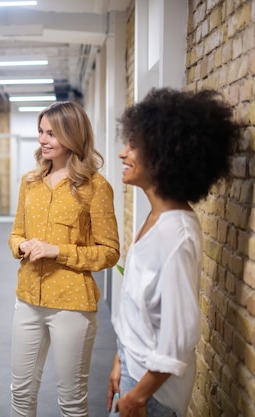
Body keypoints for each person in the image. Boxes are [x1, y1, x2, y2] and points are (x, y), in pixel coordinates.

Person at [107, 88, 240, 417]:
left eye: (134, 145)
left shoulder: (175, 234)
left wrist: (137, 397)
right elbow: (138, 309)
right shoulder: (155, 217)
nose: (123, 154)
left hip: (152, 394)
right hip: (133, 371)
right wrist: (119, 360)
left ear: (165, 152)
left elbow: (180, 334)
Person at [8, 101, 120, 417]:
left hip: (72, 307)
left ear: (73, 136)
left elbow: (110, 251)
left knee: (71, 401)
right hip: (27, 299)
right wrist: (22, 245)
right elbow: (15, 233)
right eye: (41, 132)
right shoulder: (30, 183)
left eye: (52, 133)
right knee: (21, 394)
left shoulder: (96, 187)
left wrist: (59, 251)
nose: (43, 140)